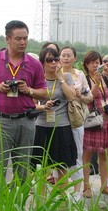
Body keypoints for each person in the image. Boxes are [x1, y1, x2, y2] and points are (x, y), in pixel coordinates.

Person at [0, 20, 47, 182]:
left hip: (26, 121)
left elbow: (43, 93)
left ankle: (19, 204)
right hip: (2, 121)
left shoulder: (34, 63)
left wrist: (28, 90)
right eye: (18, 38)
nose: (23, 42)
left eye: (25, 38)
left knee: (22, 169)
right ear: (7, 39)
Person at [31, 46, 78, 190]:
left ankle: (62, 201)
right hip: (41, 126)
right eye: (49, 60)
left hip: (61, 126)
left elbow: (71, 96)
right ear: (42, 62)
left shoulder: (66, 76)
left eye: (55, 59)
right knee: (41, 167)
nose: (53, 63)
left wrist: (60, 79)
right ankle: (42, 201)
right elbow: (31, 105)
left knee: (62, 166)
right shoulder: (37, 79)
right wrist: (43, 107)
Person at [81, 51, 108, 198]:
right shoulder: (85, 80)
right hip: (93, 122)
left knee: (104, 154)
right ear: (86, 65)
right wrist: (96, 83)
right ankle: (86, 187)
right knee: (87, 154)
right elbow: (87, 99)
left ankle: (104, 185)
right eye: (91, 62)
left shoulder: (106, 79)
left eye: (97, 62)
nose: (95, 65)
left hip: (107, 121)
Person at [59, 46, 93, 195]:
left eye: (69, 55)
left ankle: (77, 192)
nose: (65, 58)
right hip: (58, 119)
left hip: (76, 119)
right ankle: (60, 192)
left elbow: (89, 97)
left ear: (74, 58)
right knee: (59, 155)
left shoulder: (79, 75)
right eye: (63, 55)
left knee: (77, 152)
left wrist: (79, 96)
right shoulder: (54, 73)